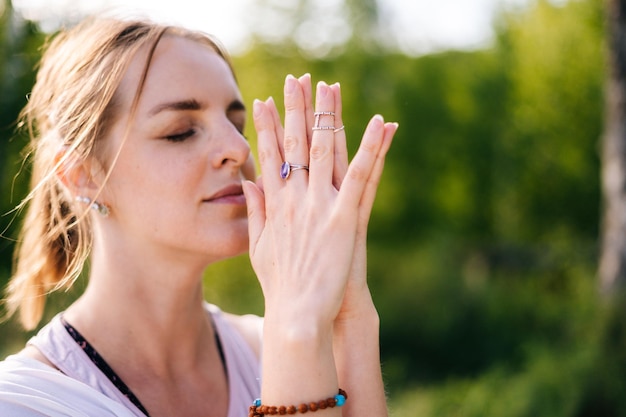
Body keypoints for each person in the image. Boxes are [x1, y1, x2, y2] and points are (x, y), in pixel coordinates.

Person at [0, 14, 397, 417]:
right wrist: (297, 327)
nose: (239, 149)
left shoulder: (273, 345)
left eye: (237, 124)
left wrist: (349, 313)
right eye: (181, 131)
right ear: (82, 175)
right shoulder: (25, 402)